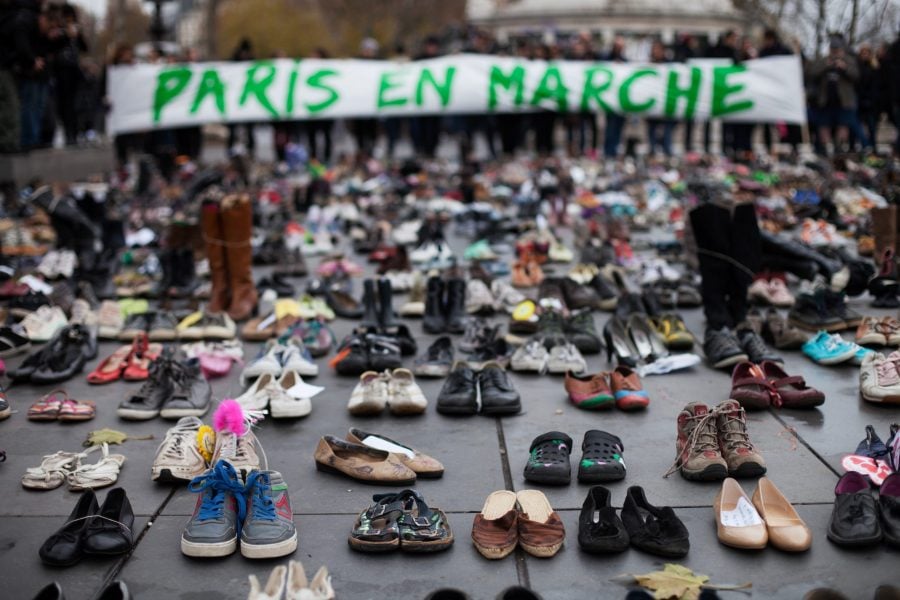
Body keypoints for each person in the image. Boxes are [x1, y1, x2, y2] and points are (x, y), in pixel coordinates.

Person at [809, 35, 860, 154]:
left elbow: (856, 76)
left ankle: (839, 147)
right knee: (823, 125)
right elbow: (812, 73)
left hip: (844, 102)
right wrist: (826, 65)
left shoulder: (849, 60)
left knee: (843, 125)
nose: (835, 52)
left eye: (837, 50)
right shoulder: (824, 60)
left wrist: (844, 67)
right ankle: (825, 148)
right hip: (825, 101)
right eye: (833, 49)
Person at [227, 38, 256, 157]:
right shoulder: (234, 63)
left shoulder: (253, 62)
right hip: (235, 102)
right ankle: (232, 153)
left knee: (250, 130)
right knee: (233, 131)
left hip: (248, 102)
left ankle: (250, 151)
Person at [602, 36, 627, 158]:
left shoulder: (626, 61)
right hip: (609, 100)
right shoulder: (606, 59)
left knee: (619, 127)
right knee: (609, 128)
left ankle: (615, 149)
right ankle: (608, 151)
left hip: (622, 101)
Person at [855, 44, 880, 151]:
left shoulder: (874, 67)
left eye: (866, 53)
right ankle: (863, 146)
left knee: (872, 126)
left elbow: (877, 85)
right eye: (863, 53)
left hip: (872, 102)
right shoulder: (857, 67)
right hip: (859, 101)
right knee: (859, 126)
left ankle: (873, 147)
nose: (864, 55)